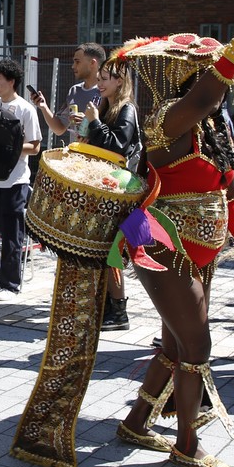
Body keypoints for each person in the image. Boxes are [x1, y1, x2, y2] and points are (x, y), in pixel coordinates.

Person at [115, 18, 234, 467]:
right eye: (211, 73)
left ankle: (136, 423)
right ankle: (187, 446)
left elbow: (229, 186)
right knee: (197, 346)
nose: (223, 84)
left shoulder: (211, 129)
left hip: (201, 250)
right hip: (160, 245)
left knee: (178, 343)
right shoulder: (167, 119)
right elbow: (204, 97)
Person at [79, 57, 140, 330]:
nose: (99, 83)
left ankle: (118, 312)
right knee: (103, 250)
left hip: (119, 189)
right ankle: (107, 307)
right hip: (105, 187)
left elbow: (117, 147)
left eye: (104, 78)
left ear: (120, 81)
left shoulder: (126, 109)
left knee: (111, 250)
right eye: (99, 78)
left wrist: (94, 123)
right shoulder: (107, 107)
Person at [0, 59, 41, 298]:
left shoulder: (26, 109)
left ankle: (10, 285)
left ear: (11, 82)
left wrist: (9, 149)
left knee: (12, 236)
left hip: (15, 182)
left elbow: (35, 147)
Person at [32, 42, 104, 145]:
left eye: (77, 62)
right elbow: (59, 129)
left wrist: (89, 122)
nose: (73, 66)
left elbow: (113, 131)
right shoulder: (74, 90)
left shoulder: (106, 91)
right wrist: (43, 107)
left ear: (93, 63)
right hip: (75, 153)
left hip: (98, 153)